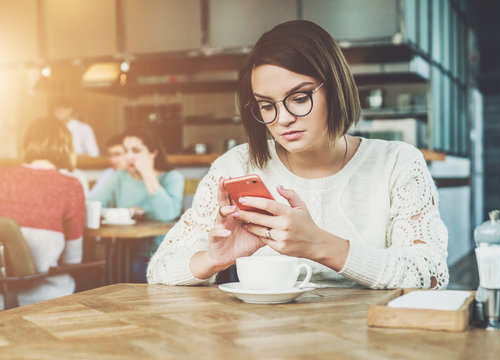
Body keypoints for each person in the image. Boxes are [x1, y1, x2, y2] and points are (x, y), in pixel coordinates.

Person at [147, 20, 449, 289]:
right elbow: (160, 268)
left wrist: (319, 245)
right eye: (267, 105)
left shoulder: (397, 163)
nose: (283, 119)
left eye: (299, 98)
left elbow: (430, 273)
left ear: (335, 88)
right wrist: (213, 259)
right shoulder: (236, 166)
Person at [0, 118, 85, 308]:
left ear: (27, 143)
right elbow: (73, 260)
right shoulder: (70, 186)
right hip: (47, 298)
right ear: (66, 147)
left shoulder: (2, 177)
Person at [89, 126, 184, 282]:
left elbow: (167, 214)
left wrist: (148, 173)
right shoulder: (120, 177)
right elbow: (91, 204)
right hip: (124, 252)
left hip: (160, 254)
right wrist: (122, 212)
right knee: (114, 271)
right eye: (126, 151)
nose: (129, 156)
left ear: (152, 153)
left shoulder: (171, 177)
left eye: (136, 151)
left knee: (135, 269)